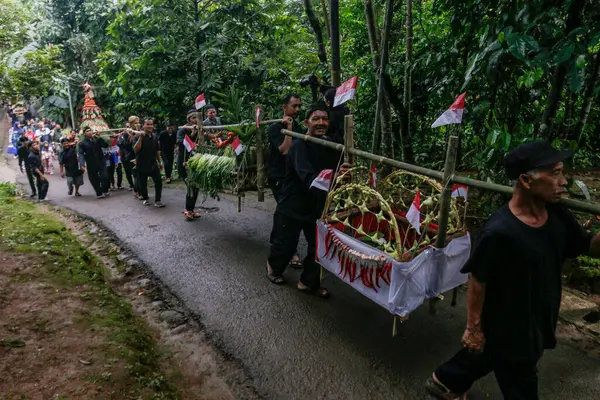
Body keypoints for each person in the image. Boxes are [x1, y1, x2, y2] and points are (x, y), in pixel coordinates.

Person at [426, 140, 600, 400]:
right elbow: (478, 279)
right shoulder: (499, 232)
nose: (564, 181)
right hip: (510, 327)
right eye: (555, 173)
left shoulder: (558, 215)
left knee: (485, 355)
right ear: (526, 181)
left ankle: (445, 381)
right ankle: (445, 381)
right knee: (520, 378)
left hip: (539, 317)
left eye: (562, 172)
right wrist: (473, 327)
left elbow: (588, 246)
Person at [266, 103, 348, 298]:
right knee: (284, 245)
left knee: (319, 248)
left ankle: (307, 282)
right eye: (316, 119)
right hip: (292, 204)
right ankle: (273, 268)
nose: (321, 123)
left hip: (317, 205)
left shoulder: (333, 146)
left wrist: (345, 174)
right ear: (306, 123)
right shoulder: (298, 145)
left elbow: (341, 173)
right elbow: (308, 178)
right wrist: (336, 176)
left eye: (324, 119)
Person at [267, 93, 304, 268]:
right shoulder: (275, 128)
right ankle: (287, 251)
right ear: (284, 107)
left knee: (290, 213)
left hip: (295, 177)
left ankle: (280, 244)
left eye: (299, 106)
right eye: (294, 106)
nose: (297, 109)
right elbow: (284, 151)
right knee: (287, 213)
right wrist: (288, 130)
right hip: (278, 176)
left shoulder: (301, 128)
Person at [133, 118, 165, 207]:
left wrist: (159, 162)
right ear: (143, 125)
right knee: (143, 183)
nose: (150, 126)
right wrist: (140, 137)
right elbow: (136, 150)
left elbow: (157, 151)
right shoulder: (137, 136)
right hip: (141, 164)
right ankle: (146, 199)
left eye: (151, 124)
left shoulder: (155, 136)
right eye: (147, 124)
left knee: (158, 182)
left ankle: (158, 200)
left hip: (153, 163)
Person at [78, 127, 110, 199]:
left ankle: (105, 190)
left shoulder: (97, 139)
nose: (90, 132)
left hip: (100, 161)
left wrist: (100, 137)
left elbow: (105, 145)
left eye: (90, 130)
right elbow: (81, 154)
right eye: (87, 131)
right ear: (84, 134)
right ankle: (99, 192)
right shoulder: (82, 143)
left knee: (105, 176)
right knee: (93, 178)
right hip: (91, 163)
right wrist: (82, 164)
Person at [176, 109, 199, 182]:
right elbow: (179, 141)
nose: (196, 120)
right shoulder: (182, 129)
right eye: (194, 118)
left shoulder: (200, 128)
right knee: (188, 182)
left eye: (197, 118)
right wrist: (192, 135)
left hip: (196, 159)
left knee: (195, 185)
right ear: (188, 120)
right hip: (184, 158)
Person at [118, 119, 139, 196]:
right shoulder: (122, 135)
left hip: (133, 156)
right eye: (127, 127)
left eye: (129, 126)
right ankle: (131, 185)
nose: (128, 128)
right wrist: (129, 139)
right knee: (128, 172)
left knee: (135, 172)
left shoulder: (135, 134)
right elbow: (121, 144)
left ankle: (136, 187)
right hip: (125, 157)